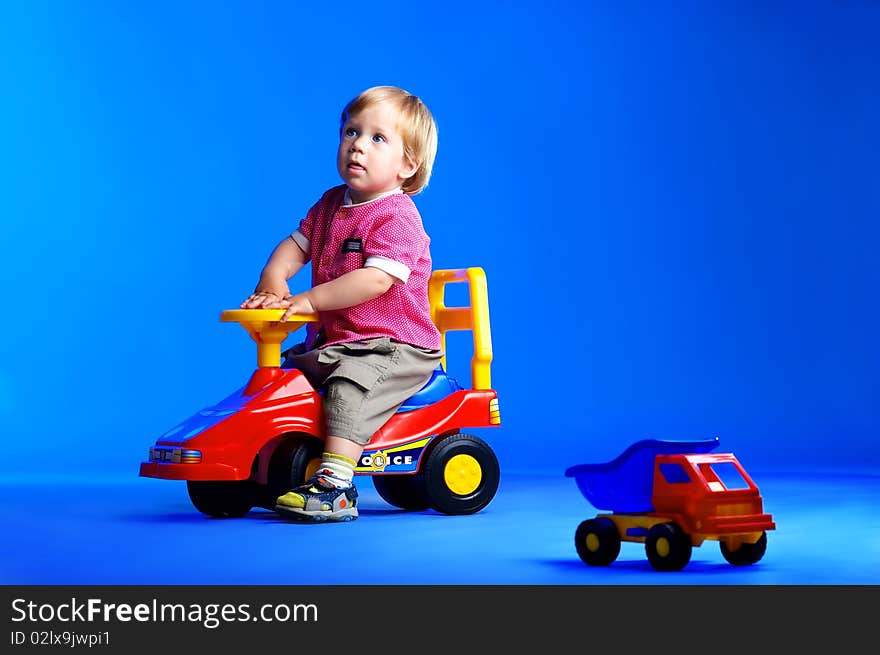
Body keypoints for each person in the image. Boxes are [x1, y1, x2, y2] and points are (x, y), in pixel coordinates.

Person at [240, 86, 443, 522]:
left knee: (347, 387)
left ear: (408, 165)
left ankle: (336, 486)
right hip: (339, 340)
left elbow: (373, 280)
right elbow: (295, 247)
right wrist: (274, 282)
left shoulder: (398, 217)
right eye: (351, 131)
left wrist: (309, 298)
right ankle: (260, 465)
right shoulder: (331, 203)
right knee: (288, 375)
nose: (357, 145)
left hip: (391, 346)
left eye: (377, 138)